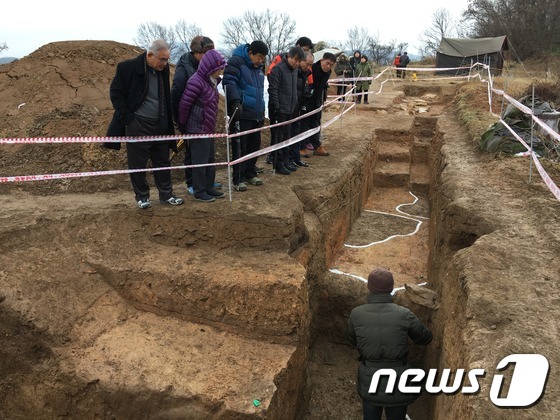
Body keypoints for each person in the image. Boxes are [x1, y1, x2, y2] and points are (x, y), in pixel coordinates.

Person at [106, 39, 184, 209]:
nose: (165, 63)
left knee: (163, 161)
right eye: (162, 59)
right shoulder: (127, 68)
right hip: (138, 124)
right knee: (137, 163)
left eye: (167, 59)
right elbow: (116, 94)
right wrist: (128, 119)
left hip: (160, 124)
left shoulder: (162, 70)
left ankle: (166, 194)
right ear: (149, 55)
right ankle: (142, 197)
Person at [347, 268, 433, 420]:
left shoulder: (356, 314)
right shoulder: (404, 314)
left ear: (369, 288)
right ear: (391, 288)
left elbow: (351, 339)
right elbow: (425, 339)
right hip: (398, 383)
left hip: (370, 381)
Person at [170, 35, 220, 195]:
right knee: (193, 154)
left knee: (205, 155)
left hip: (203, 122)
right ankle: (193, 184)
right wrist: (180, 122)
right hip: (192, 122)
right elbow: (178, 96)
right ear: (197, 53)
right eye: (207, 53)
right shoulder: (185, 70)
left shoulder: (205, 72)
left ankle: (205, 183)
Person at [177, 49, 227, 202]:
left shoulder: (211, 82)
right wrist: (183, 127)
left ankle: (209, 187)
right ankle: (199, 191)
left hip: (208, 128)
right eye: (218, 68)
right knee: (199, 161)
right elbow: (184, 106)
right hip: (197, 129)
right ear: (210, 68)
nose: (220, 72)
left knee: (210, 159)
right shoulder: (195, 82)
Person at [223, 40, 269, 191]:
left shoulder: (258, 69)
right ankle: (238, 178)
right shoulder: (236, 62)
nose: (261, 60)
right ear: (250, 53)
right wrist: (236, 102)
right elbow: (229, 82)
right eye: (259, 57)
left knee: (254, 145)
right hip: (242, 112)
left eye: (263, 58)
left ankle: (250, 172)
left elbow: (259, 90)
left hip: (256, 113)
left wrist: (262, 111)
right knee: (240, 146)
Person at [268, 46, 306, 175]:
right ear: (289, 56)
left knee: (287, 136)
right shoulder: (278, 69)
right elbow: (273, 90)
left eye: (299, 61)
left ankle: (285, 161)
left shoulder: (295, 71)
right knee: (278, 137)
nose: (296, 63)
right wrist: (277, 107)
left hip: (291, 108)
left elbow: (294, 90)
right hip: (280, 109)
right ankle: (278, 164)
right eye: (295, 60)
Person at [301, 52, 336, 157]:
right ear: (322, 60)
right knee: (304, 124)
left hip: (317, 100)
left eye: (331, 65)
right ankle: (302, 147)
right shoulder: (311, 69)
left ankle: (316, 146)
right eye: (327, 63)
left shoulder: (328, 72)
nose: (328, 66)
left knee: (316, 124)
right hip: (307, 100)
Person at [289, 50, 314, 165]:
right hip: (290, 108)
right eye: (307, 64)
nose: (309, 67)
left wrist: (307, 92)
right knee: (289, 134)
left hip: (299, 107)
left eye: (311, 65)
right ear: (301, 61)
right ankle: (287, 160)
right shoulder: (293, 72)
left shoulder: (305, 74)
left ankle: (295, 158)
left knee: (297, 132)